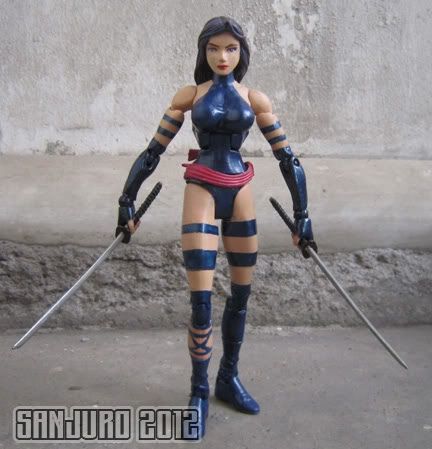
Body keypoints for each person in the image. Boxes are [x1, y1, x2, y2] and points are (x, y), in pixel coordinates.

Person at [115, 16, 318, 439]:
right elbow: (153, 152)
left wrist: (302, 213)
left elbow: (288, 158)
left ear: (241, 51)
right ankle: (199, 391)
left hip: (239, 187)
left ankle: (228, 377)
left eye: (230, 48)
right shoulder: (190, 96)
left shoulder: (255, 99)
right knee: (202, 300)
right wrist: (127, 199)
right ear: (203, 51)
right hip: (202, 187)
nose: (222, 56)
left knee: (240, 295)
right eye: (213, 48)